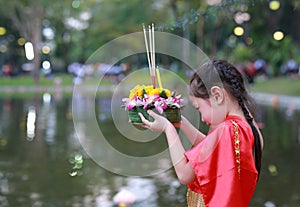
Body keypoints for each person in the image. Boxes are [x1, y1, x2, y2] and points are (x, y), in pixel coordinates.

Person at [138, 59, 264, 207]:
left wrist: (168, 128)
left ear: (217, 95)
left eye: (199, 108)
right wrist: (181, 123)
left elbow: (185, 174)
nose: (202, 118)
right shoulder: (247, 127)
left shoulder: (227, 130)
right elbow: (213, 150)